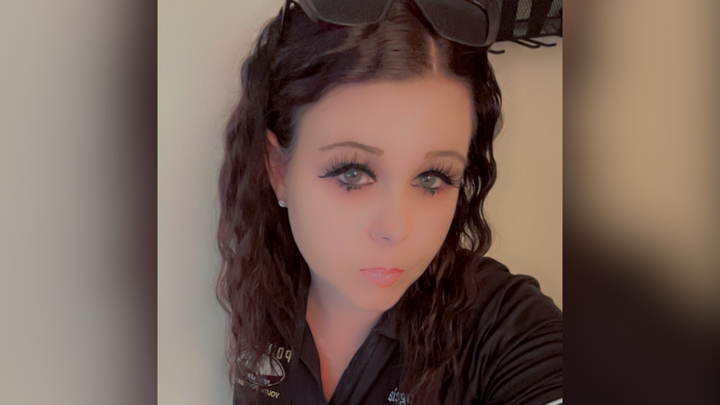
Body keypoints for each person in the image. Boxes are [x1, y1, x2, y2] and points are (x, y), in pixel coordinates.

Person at [216, 1, 562, 404]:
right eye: (352, 174)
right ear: (278, 169)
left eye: (432, 178)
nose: (396, 228)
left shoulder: (502, 326)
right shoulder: (268, 290)